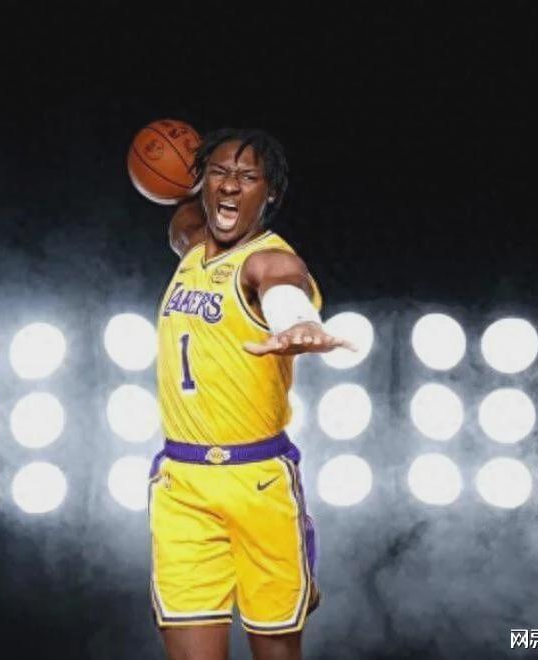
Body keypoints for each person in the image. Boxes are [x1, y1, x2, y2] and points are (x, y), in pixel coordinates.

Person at [149, 128, 355, 660]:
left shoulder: (269, 259)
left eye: (247, 177)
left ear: (271, 194)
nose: (230, 185)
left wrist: (296, 320)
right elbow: (182, 218)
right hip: (183, 484)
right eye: (219, 173)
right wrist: (187, 175)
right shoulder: (192, 243)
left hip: (257, 481)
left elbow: (283, 283)